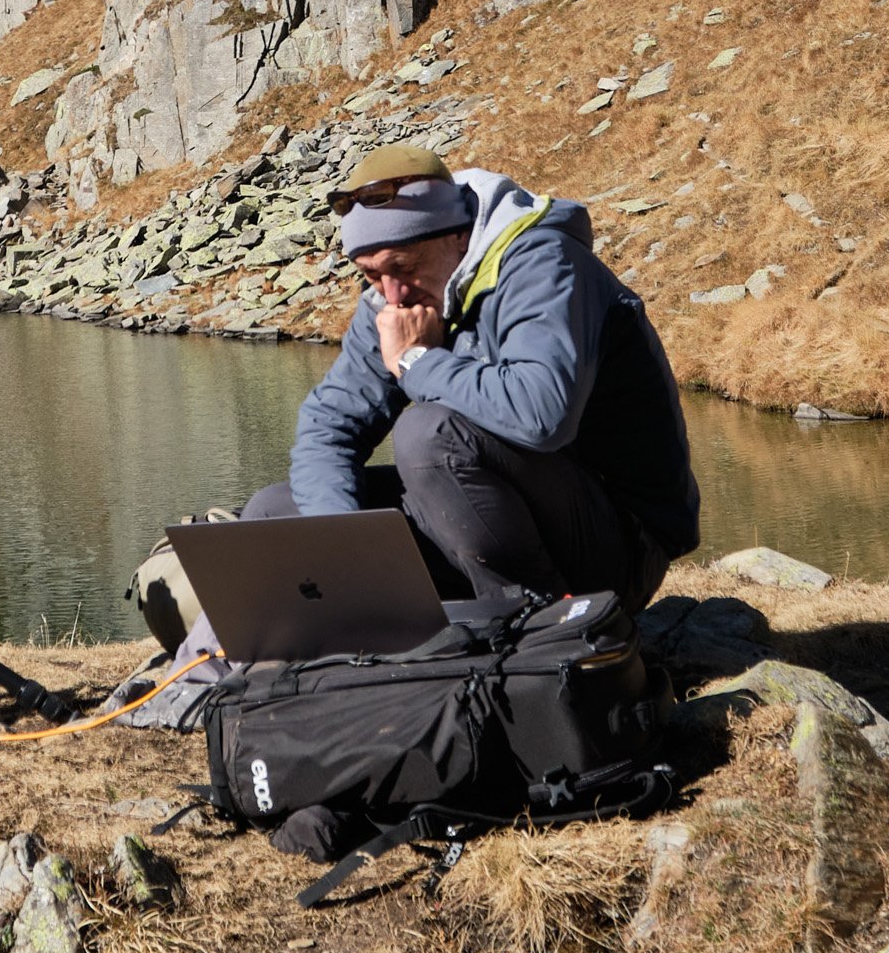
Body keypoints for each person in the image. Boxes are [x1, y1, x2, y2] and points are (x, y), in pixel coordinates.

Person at [243, 144, 699, 609]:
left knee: (430, 435)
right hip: (500, 523)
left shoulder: (541, 264)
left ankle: (542, 628)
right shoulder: (391, 300)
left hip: (620, 545)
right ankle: (381, 625)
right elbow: (329, 426)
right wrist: (343, 545)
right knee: (276, 514)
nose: (392, 293)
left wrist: (418, 361)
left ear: (458, 238)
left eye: (404, 266)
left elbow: (541, 416)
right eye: (370, 274)